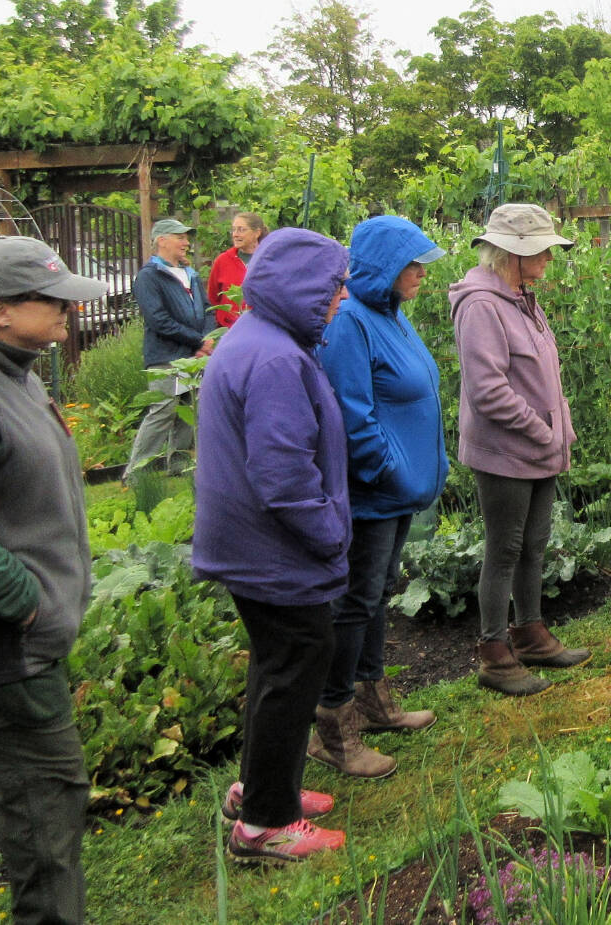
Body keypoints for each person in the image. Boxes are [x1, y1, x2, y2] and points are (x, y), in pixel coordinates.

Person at [193, 227, 351, 863]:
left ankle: (261, 789)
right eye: (332, 288)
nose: (339, 299)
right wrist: (331, 531)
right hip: (275, 548)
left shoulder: (257, 338)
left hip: (251, 545)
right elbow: (283, 474)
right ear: (302, 289)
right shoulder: (277, 358)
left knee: (274, 666)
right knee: (296, 664)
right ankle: (265, 825)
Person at [0, 237, 106, 923]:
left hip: (24, 648)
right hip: (11, 658)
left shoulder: (20, 373)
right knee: (46, 829)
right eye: (51, 298)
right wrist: (26, 604)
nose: (68, 309)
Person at [309, 216, 446, 778]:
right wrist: (392, 472)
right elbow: (354, 417)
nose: (419, 272)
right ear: (381, 267)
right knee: (355, 601)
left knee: (378, 593)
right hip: (372, 493)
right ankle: (333, 724)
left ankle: (374, 699)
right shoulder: (351, 325)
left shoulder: (391, 317)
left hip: (397, 492)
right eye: (410, 263)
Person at [450, 203, 592, 696]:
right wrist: (541, 429)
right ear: (515, 251)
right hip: (505, 451)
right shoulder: (481, 306)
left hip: (537, 447)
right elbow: (489, 391)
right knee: (504, 547)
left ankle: (530, 634)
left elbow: (544, 376)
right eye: (544, 249)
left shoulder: (521, 298)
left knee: (533, 543)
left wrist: (561, 428)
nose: (551, 257)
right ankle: (493, 653)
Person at [125, 218, 214, 480]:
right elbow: (158, 319)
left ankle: (179, 466)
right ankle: (136, 472)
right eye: (180, 237)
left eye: (187, 238)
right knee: (163, 411)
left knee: (189, 411)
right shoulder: (149, 276)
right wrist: (197, 341)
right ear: (162, 240)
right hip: (165, 356)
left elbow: (207, 309)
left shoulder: (191, 274)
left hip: (194, 356)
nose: (186, 243)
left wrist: (207, 339)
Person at [208, 211, 269, 327]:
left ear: (257, 233)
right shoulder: (222, 261)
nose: (235, 234)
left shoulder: (269, 260)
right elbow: (213, 299)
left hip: (262, 329)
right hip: (229, 330)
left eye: (241, 230)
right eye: (234, 229)